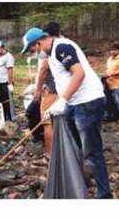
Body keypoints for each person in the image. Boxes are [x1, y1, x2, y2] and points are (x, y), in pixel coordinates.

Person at [21, 27, 112, 198]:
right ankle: (79, 181)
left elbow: (79, 74)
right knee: (75, 145)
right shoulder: (50, 54)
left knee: (92, 151)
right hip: (74, 103)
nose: (32, 54)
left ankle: (104, 195)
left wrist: (61, 100)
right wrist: (58, 104)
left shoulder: (61, 47)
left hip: (88, 102)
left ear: (39, 42)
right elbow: (63, 80)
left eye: (32, 50)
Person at [31, 22, 60, 156]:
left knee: (47, 122)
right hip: (62, 90)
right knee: (59, 121)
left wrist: (38, 90)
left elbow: (43, 70)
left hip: (52, 90)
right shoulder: (64, 44)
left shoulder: (48, 49)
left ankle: (50, 154)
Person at [103, 42, 119, 122]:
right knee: (108, 101)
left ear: (118, 50)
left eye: (114, 50)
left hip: (117, 84)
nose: (112, 52)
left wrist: (111, 74)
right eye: (111, 50)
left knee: (118, 101)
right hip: (108, 83)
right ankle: (110, 115)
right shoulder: (109, 59)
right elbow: (108, 69)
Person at [0, 40, 15, 122]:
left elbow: (10, 70)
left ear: (3, 48)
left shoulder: (8, 56)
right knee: (1, 101)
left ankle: (10, 118)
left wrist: (10, 83)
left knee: (8, 101)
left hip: (6, 83)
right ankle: (3, 117)